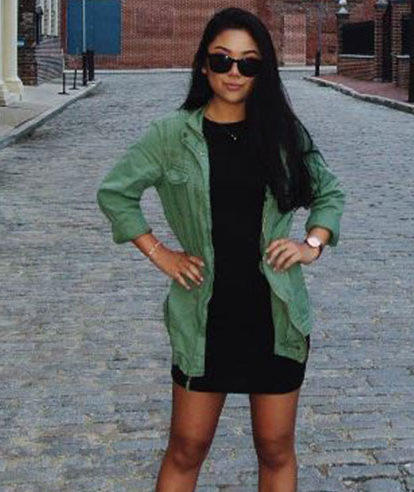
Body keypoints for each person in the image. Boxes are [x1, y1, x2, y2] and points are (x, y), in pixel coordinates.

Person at [96, 6, 346, 492]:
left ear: (262, 70)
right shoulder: (172, 135)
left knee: (275, 449)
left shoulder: (283, 133)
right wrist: (160, 253)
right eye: (222, 59)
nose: (235, 72)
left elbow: (330, 193)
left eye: (249, 63)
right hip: (204, 318)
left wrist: (312, 244)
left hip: (275, 315)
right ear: (203, 65)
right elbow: (116, 192)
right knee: (186, 448)